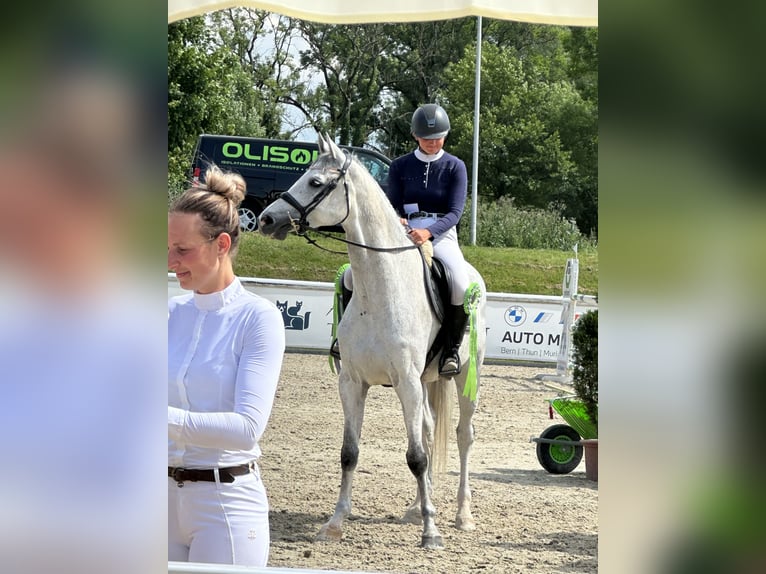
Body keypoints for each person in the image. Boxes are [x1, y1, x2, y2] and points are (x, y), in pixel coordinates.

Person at [167, 165, 286, 566]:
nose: (170, 261)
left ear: (221, 244)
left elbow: (247, 428)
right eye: (167, 248)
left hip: (225, 504)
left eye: (182, 250)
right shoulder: (165, 314)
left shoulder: (258, 318)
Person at [338, 103, 470, 375]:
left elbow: (455, 211)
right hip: (403, 232)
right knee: (350, 277)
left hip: (441, 233)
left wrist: (429, 232)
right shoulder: (400, 166)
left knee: (459, 283)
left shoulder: (455, 166)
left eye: (438, 138)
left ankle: (450, 350)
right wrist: (398, 221)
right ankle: (344, 341)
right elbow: (392, 204)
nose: (433, 143)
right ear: (415, 136)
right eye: (426, 139)